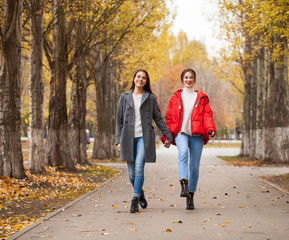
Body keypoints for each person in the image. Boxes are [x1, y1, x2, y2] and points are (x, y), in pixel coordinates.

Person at [116, 69, 173, 213]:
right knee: (131, 174)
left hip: (144, 138)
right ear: (134, 78)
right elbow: (119, 121)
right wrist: (118, 141)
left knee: (139, 168)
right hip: (127, 139)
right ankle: (140, 192)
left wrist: (168, 135)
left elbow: (158, 118)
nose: (140, 79)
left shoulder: (150, 98)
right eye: (138, 77)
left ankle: (134, 199)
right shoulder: (124, 97)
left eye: (144, 78)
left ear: (146, 81)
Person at [162, 68, 216, 210]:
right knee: (183, 154)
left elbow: (207, 115)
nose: (188, 80)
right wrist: (167, 137)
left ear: (194, 79)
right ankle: (184, 185)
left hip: (197, 134)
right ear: (182, 79)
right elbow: (169, 118)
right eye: (186, 77)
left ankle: (191, 195)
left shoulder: (201, 97)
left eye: (191, 77)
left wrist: (210, 129)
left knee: (194, 167)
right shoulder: (175, 97)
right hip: (181, 133)